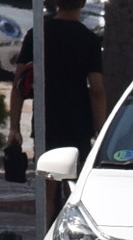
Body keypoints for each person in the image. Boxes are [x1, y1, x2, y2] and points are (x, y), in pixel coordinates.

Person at [11, 0, 106, 223]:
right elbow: (97, 90)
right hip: (78, 123)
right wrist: (102, 131)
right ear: (82, 4)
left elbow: (19, 84)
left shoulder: (37, 35)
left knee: (47, 194)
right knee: (77, 191)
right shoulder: (89, 39)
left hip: (47, 121)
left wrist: (14, 127)